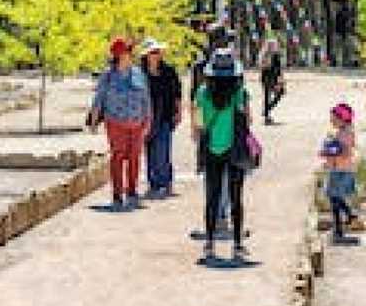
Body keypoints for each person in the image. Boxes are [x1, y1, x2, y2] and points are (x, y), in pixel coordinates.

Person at [192, 48, 251, 260]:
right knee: (236, 199)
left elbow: (198, 124)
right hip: (234, 148)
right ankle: (237, 244)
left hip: (211, 149)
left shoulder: (201, 93)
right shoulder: (240, 92)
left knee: (212, 197)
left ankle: (209, 243)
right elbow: (248, 120)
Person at [90, 37, 151, 211]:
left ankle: (131, 190)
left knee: (135, 158)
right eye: (127, 51)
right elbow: (99, 99)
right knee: (118, 156)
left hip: (137, 123)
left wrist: (147, 119)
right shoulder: (107, 76)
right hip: (116, 123)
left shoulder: (138, 73)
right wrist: (94, 121)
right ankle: (117, 193)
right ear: (120, 54)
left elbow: (146, 98)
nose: (130, 54)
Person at [140, 38, 182, 198]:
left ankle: (165, 182)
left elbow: (177, 93)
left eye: (158, 52)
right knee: (150, 150)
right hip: (146, 117)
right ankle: (154, 182)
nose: (156, 55)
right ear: (147, 55)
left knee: (163, 150)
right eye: (153, 52)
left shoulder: (169, 71)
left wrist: (178, 112)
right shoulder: (140, 74)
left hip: (165, 115)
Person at [320, 103, 357, 243]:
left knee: (333, 198)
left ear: (342, 119)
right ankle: (340, 225)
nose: (332, 121)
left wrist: (330, 151)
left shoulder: (345, 133)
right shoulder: (343, 132)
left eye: (334, 118)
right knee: (334, 199)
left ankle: (345, 219)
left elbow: (345, 151)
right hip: (338, 168)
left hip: (340, 169)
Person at [259, 38, 284, 125]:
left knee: (267, 96)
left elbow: (263, 68)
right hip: (271, 78)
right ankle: (267, 113)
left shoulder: (264, 56)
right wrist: (280, 79)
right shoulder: (271, 56)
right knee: (277, 94)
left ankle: (266, 111)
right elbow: (278, 69)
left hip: (267, 78)